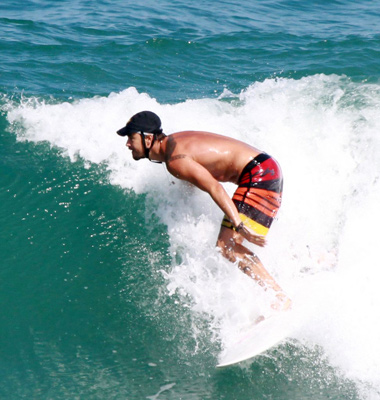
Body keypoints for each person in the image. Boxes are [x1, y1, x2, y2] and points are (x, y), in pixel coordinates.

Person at [117, 111, 291, 311]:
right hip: (266, 167)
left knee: (227, 246)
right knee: (239, 242)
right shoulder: (175, 144)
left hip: (258, 174)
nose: (128, 144)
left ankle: (280, 298)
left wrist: (239, 224)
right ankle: (312, 258)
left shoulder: (175, 160)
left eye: (131, 138)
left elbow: (215, 187)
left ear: (148, 139)